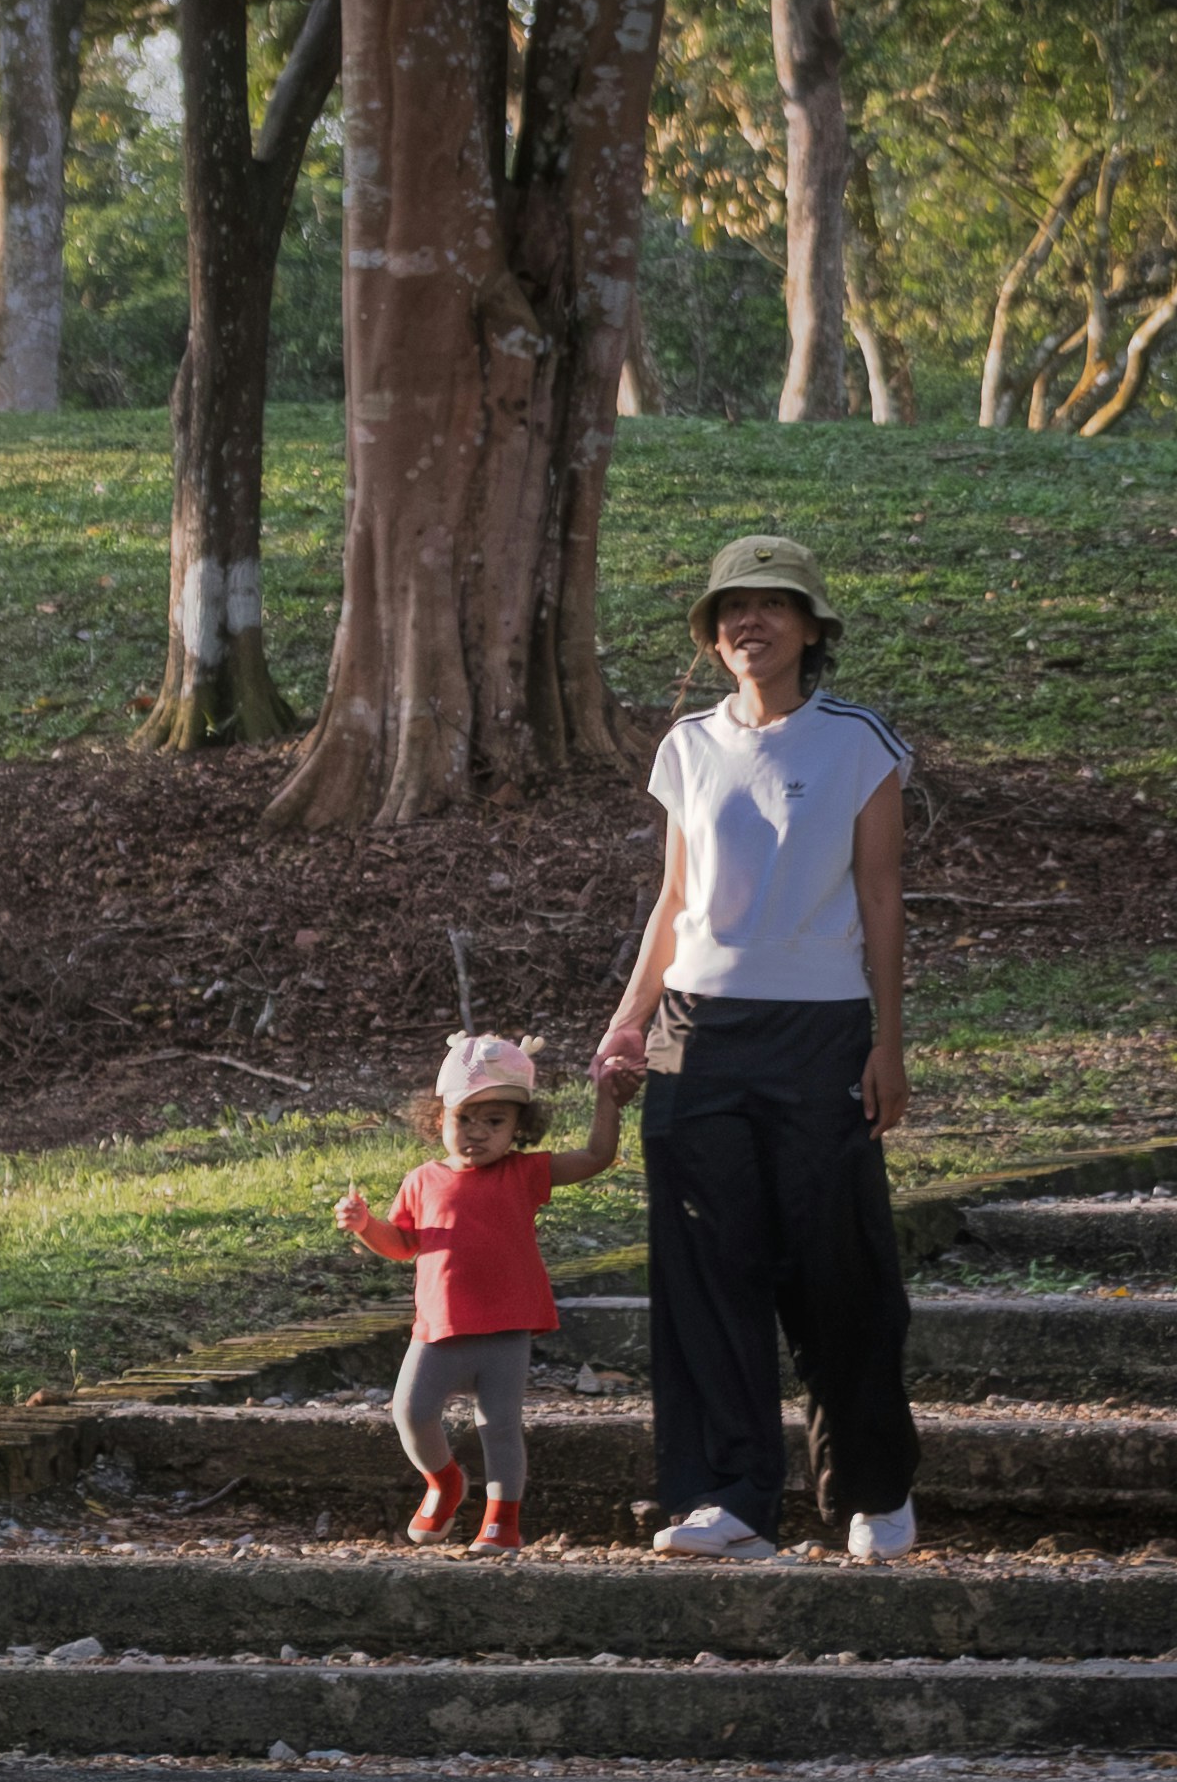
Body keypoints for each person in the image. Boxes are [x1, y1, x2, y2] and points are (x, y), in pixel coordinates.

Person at [593, 526, 925, 1564]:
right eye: (733, 607)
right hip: (697, 1032)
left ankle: (870, 1490)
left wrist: (888, 1042)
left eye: (773, 604)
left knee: (839, 1265)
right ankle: (727, 1493)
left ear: (810, 627)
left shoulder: (857, 741)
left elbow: (881, 897)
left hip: (820, 1030)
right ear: (712, 631)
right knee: (704, 1269)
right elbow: (676, 898)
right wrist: (630, 1016)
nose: (751, 621)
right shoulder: (688, 746)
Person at [332, 1032, 612, 1557]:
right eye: (465, 1118)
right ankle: (444, 1482)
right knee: (411, 1413)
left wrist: (607, 1098)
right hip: (439, 1329)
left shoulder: (524, 1174)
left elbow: (597, 1156)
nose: (478, 1133)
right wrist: (365, 1224)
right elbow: (402, 1245)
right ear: (437, 1118)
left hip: (506, 1327)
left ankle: (502, 1521)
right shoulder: (422, 1180)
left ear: (519, 1129)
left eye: (496, 1121)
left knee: (499, 1425)